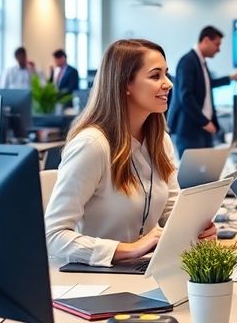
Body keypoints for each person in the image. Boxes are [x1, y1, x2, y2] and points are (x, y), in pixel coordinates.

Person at [44, 39, 216, 266]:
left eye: (166, 74)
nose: (168, 84)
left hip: (143, 271)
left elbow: (170, 209)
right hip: (95, 282)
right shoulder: (92, 145)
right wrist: (129, 249)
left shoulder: (159, 141)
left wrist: (195, 228)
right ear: (125, 84)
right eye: (155, 76)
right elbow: (53, 237)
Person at [167, 26, 237, 158]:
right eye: (217, 44)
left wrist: (231, 78)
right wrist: (205, 122)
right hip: (191, 129)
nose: (219, 49)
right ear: (206, 40)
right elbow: (186, 97)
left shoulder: (201, 62)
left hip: (203, 128)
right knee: (193, 175)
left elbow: (208, 85)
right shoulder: (187, 61)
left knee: (207, 174)